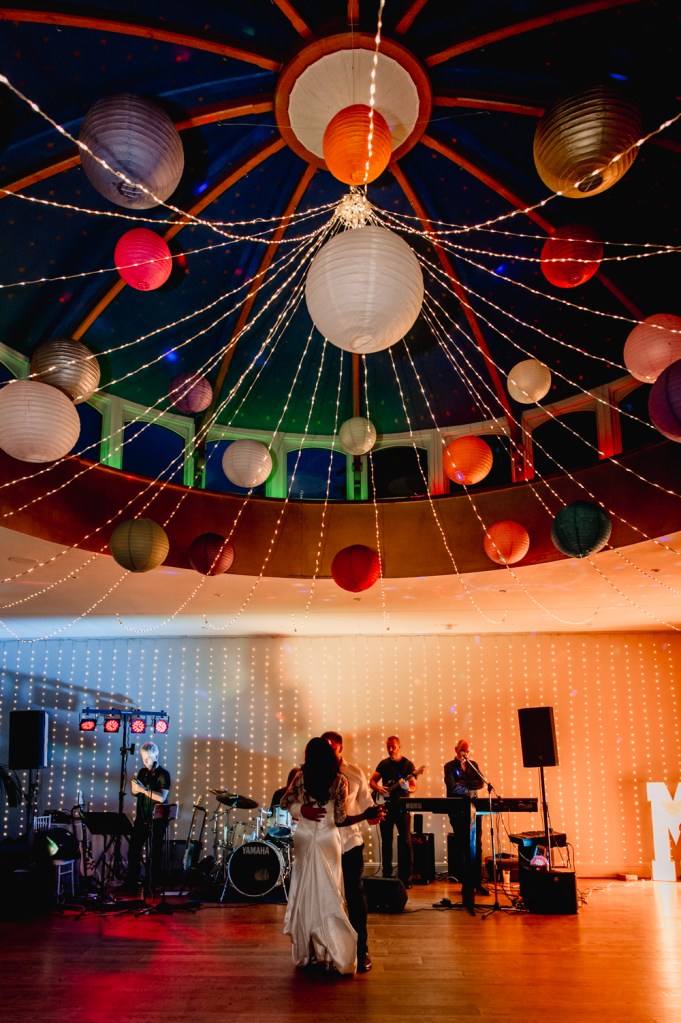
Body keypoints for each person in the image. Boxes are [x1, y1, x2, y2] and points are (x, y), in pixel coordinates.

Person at [309, 730, 385, 973]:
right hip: (321, 844)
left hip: (349, 843)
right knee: (322, 898)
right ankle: (321, 949)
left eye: (331, 748)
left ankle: (361, 950)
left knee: (355, 896)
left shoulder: (354, 773)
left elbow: (366, 803)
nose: (327, 751)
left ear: (340, 749)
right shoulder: (310, 772)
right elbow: (295, 801)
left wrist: (374, 815)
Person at [280, 737, 357, 975]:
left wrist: (301, 810)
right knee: (329, 893)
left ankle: (309, 952)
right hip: (327, 839)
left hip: (303, 836)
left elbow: (284, 803)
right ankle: (333, 954)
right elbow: (341, 819)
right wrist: (366, 816)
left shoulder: (301, 777)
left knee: (305, 892)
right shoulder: (339, 780)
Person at [369, 735, 417, 888]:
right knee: (386, 842)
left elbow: (414, 786)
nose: (390, 750)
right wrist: (379, 789)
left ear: (399, 746)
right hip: (386, 807)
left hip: (403, 808)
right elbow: (372, 781)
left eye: (393, 747)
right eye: (388, 747)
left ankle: (406, 878)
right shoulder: (383, 764)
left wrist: (407, 788)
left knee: (406, 842)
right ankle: (386, 874)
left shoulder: (408, 765)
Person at [124, 741, 171, 893]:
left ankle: (153, 882)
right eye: (143, 758)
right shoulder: (142, 772)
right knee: (133, 850)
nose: (145, 762)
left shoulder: (163, 774)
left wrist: (143, 791)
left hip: (157, 819)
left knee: (155, 851)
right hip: (142, 816)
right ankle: (132, 880)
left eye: (148, 758)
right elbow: (135, 793)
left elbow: (162, 798)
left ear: (156, 757)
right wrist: (135, 789)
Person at [444, 739, 488, 899]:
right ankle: (466, 884)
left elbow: (481, 783)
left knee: (477, 845)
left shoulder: (473, 764)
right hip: (457, 811)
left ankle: (477, 882)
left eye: (467, 751)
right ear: (456, 749)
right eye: (463, 750)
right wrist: (469, 785)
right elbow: (452, 787)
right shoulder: (449, 766)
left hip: (474, 810)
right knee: (463, 846)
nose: (465, 754)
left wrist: (462, 783)